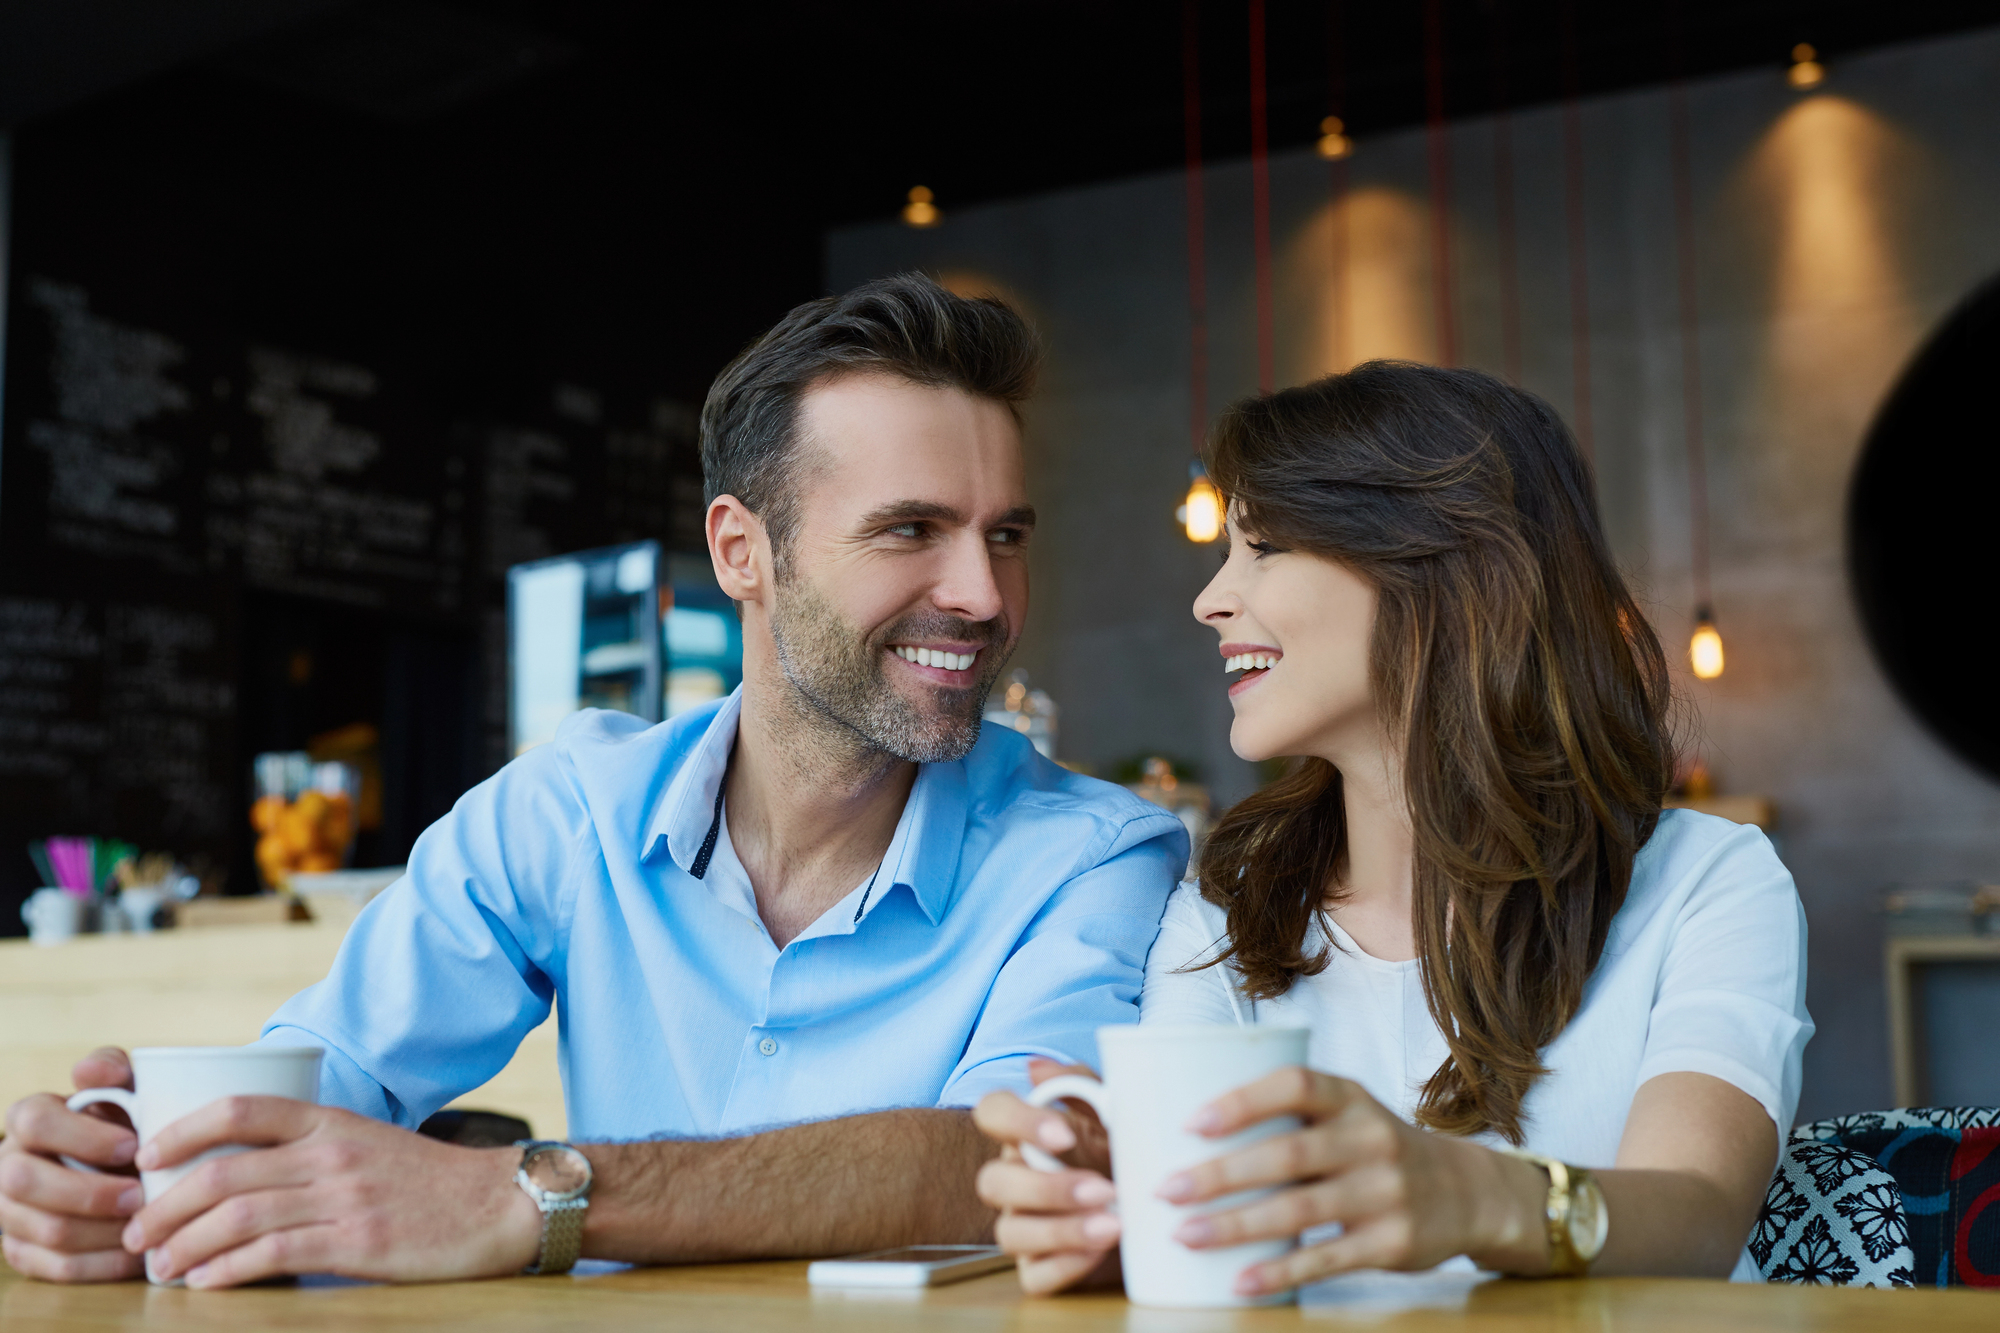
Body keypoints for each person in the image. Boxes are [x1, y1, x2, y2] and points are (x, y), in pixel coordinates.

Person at [0, 275, 1187, 1287]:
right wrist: (130, 1181)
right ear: (742, 551)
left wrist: (535, 1197)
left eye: (1006, 535)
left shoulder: (1095, 858)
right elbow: (340, 1072)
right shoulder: (567, 808)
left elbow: (1007, 1163)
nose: (981, 594)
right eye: (909, 530)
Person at [974, 362, 1810, 1297]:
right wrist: (1113, 1225)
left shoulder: (1708, 880)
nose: (1211, 599)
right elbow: (1213, 1237)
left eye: (1264, 547)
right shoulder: (1226, 908)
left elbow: (1696, 1214)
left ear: (1440, 569)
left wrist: (1476, 1197)